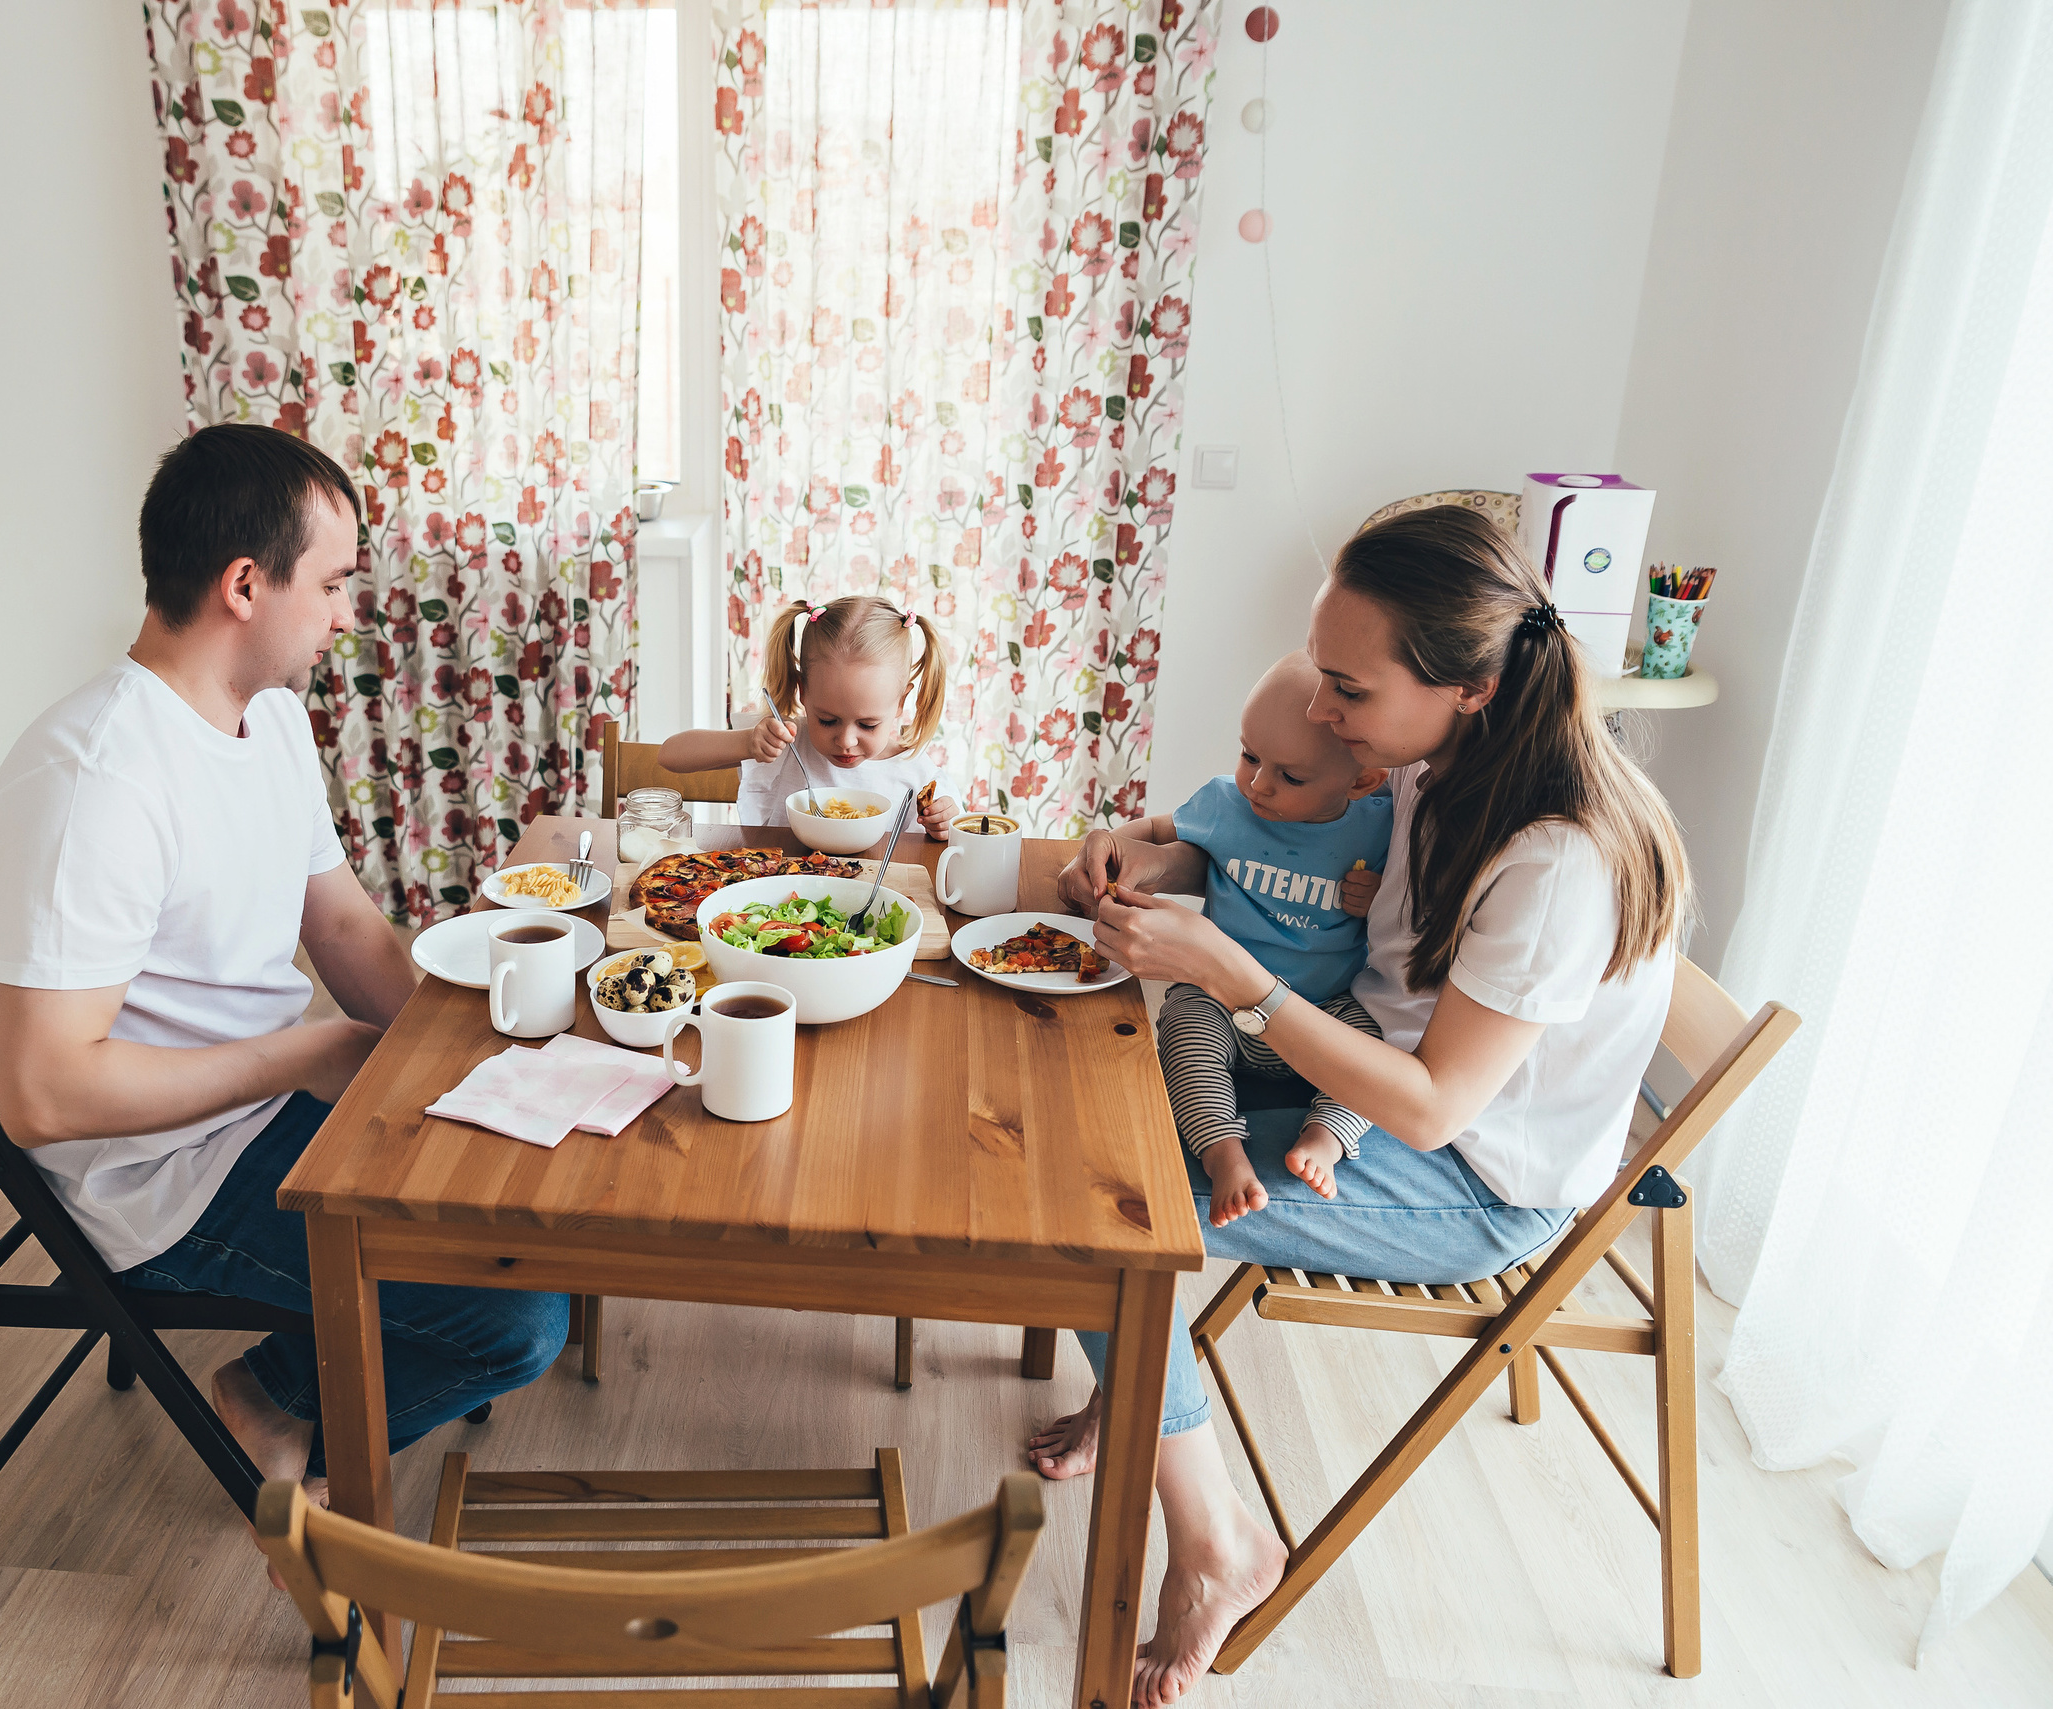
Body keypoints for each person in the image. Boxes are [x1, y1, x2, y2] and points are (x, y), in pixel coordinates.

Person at [1029, 504, 1690, 1705]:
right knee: (1088, 1098)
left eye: (1347, 687)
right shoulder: (1430, 766)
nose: (1320, 711)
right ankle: (1141, 1379)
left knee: (1094, 1211)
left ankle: (1217, 1541)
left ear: (1470, 686)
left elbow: (1435, 1106)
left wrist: (1235, 974)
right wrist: (1153, 855)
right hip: (1360, 1074)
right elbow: (1258, 838)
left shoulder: (1554, 861)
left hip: (1466, 1177)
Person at [0, 424, 568, 1506]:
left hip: (265, 1096)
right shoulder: (97, 785)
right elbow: (41, 1093)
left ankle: (318, 1380)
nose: (347, 613)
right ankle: (271, 1394)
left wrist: (463, 1044)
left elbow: (340, 929)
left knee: (545, 1198)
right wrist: (313, 1052)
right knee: (518, 1318)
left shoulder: (268, 718)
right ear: (245, 583)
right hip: (162, 1173)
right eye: (334, 583)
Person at [1104, 651, 1393, 1217]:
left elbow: (1410, 912)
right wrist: (1118, 840)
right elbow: (1160, 827)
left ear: (1362, 781)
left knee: (1375, 1041)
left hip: (1321, 1015)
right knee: (1183, 1026)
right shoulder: (1227, 804)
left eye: (1289, 775)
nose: (1258, 784)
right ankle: (1222, 1152)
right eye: (1248, 755)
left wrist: (1380, 895)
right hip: (1219, 1003)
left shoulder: (1381, 826)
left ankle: (1326, 1140)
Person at [660, 594, 958, 838]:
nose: (846, 740)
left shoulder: (916, 774)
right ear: (803, 691)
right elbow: (670, 755)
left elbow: (956, 835)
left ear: (900, 703)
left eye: (868, 724)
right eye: (827, 720)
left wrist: (942, 824)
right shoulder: (785, 742)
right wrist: (747, 743)